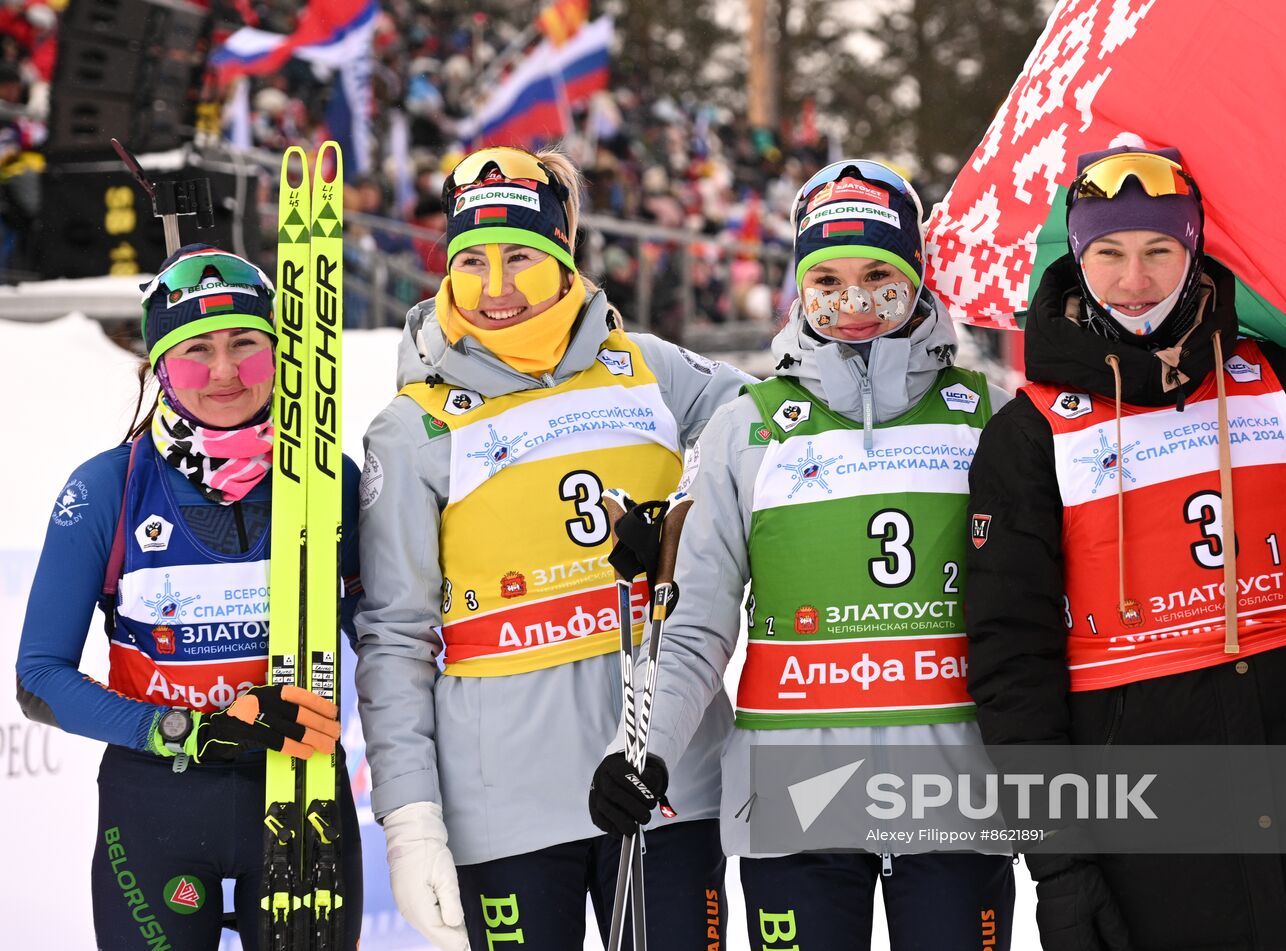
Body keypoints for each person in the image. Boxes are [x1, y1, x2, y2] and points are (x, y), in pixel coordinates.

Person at [965, 145, 1286, 950]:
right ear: (1077, 256)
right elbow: (1010, 668)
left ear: (1194, 250)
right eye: (1110, 253)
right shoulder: (1029, 431)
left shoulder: (1275, 379)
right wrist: (1060, 864)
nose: (1136, 279)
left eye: (1160, 250)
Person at [587, 160, 1016, 950]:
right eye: (828, 279)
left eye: (880, 277)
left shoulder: (985, 413)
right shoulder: (747, 426)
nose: (853, 304)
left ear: (918, 276)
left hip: (954, 788)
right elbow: (696, 629)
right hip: (796, 797)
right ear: (799, 282)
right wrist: (638, 752)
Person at [354, 145, 751, 950]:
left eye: (522, 258)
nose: (496, 289)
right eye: (471, 262)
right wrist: (410, 816)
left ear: (565, 256)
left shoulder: (654, 371)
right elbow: (392, 637)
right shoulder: (414, 424)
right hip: (504, 808)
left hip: (665, 779)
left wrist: (681, 513)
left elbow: (763, 425)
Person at [15, 245, 364, 948]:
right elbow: (39, 679)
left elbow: (387, 636)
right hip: (157, 801)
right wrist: (188, 727)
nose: (225, 370)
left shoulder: (334, 480)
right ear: (159, 367)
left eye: (246, 343)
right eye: (196, 349)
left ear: (279, 352)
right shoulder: (107, 487)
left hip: (303, 794)